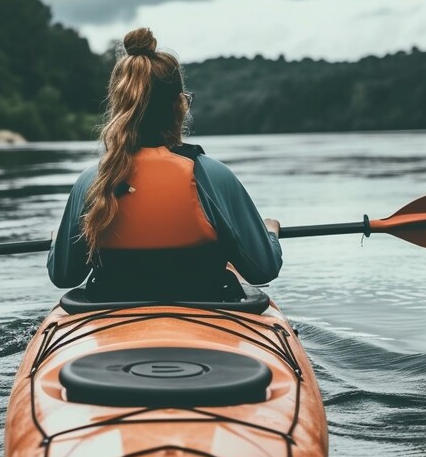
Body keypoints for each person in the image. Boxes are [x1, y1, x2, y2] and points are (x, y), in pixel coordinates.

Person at [48, 27, 282, 301]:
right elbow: (262, 269)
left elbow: (64, 276)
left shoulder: (94, 181)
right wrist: (270, 232)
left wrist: (56, 243)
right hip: (206, 308)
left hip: (112, 313)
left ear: (120, 107)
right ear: (179, 106)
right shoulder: (212, 176)